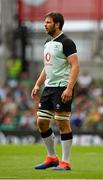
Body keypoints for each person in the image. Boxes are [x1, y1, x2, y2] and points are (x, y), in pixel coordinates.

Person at [31, 12, 80, 170]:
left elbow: (75, 65)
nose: (45, 24)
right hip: (49, 87)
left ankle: (65, 162)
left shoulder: (66, 42)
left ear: (57, 24)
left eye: (48, 22)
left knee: (62, 122)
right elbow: (47, 67)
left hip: (61, 87)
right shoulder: (47, 42)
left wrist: (69, 88)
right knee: (42, 122)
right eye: (44, 22)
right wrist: (38, 84)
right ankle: (52, 157)